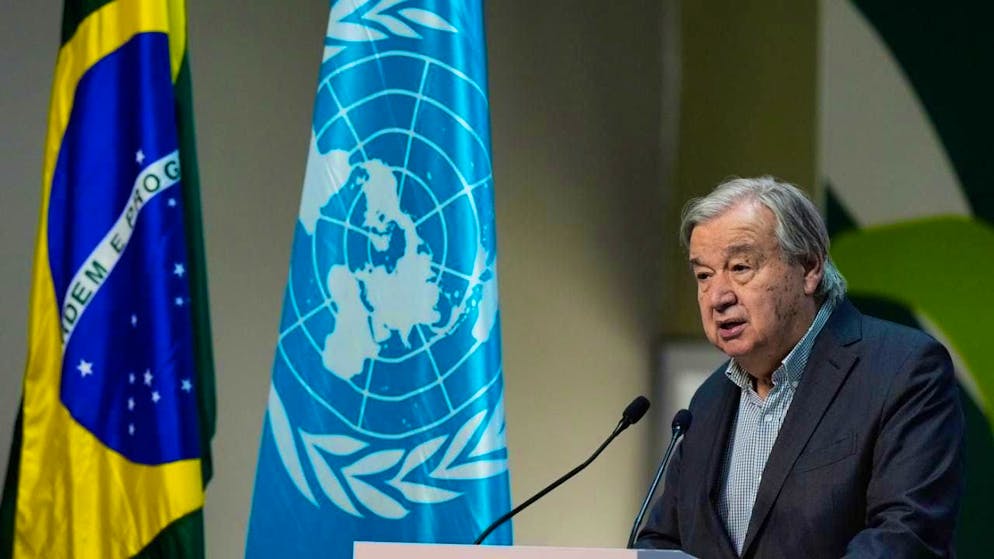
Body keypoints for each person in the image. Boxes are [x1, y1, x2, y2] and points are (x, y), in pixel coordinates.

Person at [635, 176, 964, 558]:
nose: (718, 297)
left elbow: (907, 537)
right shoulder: (706, 402)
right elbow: (661, 542)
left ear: (809, 268)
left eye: (740, 267)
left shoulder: (904, 370)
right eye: (704, 276)